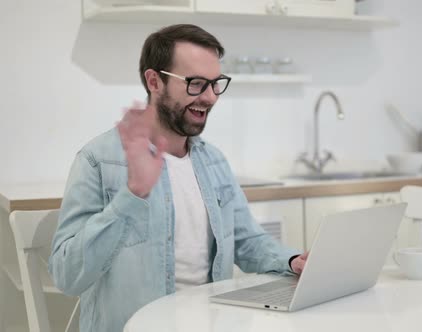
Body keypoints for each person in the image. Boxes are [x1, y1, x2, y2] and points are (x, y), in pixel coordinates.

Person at [49, 24, 308, 332]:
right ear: (154, 81)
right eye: (197, 83)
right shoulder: (98, 160)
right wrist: (130, 198)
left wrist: (291, 261)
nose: (210, 97)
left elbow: (246, 240)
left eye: (215, 84)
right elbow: (67, 275)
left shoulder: (213, 161)